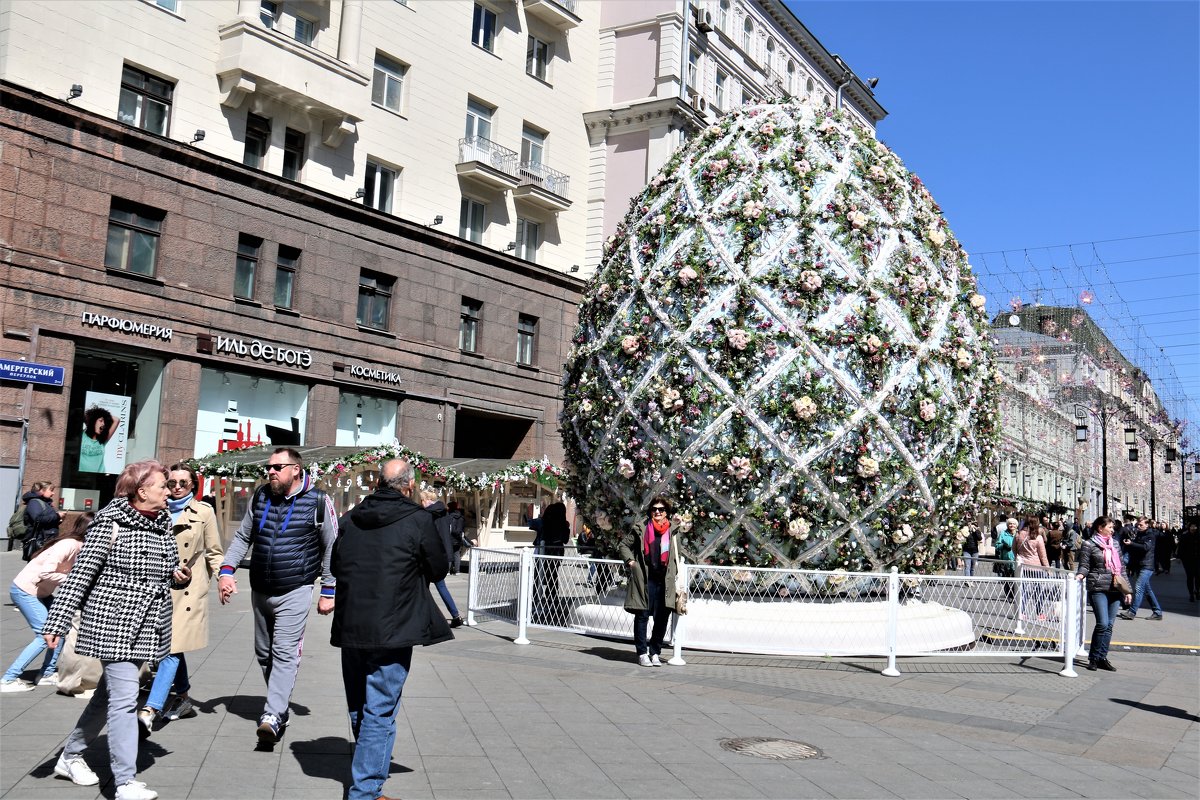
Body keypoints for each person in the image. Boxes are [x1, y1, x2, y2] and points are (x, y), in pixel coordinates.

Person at [41, 460, 190, 800]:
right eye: (162, 486)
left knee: (108, 696)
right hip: (114, 623)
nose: (168, 491)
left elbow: (166, 569)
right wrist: (57, 622)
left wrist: (179, 576)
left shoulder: (163, 523)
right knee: (125, 701)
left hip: (148, 624)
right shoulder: (110, 524)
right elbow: (80, 577)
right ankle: (124, 782)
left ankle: (70, 756)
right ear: (142, 491)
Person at [331, 458, 452, 800]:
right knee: (380, 708)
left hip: (353, 624)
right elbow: (438, 567)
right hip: (394, 625)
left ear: (378, 483)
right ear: (409, 485)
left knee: (360, 705)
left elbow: (336, 564)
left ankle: (366, 777)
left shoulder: (351, 518)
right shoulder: (417, 519)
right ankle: (365, 791)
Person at [218, 447, 337, 744]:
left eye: (277, 467)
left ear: (296, 470)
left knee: (284, 653)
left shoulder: (319, 501)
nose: (270, 471)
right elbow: (244, 536)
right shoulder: (261, 497)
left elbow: (333, 547)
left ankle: (271, 714)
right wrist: (226, 570)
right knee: (264, 654)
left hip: (295, 589)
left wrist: (329, 591)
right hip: (260, 588)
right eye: (269, 467)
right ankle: (280, 707)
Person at [138, 463, 224, 732]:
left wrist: (224, 578)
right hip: (159, 584)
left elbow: (214, 551)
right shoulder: (156, 508)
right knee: (171, 641)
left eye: (182, 483)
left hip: (189, 587)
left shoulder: (203, 512)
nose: (176, 488)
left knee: (172, 646)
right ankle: (183, 696)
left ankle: (150, 709)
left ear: (193, 486)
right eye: (171, 483)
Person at [1, 512, 91, 692]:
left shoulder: (79, 546)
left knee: (60, 629)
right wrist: (74, 579)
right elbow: (46, 573)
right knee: (44, 635)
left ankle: (47, 674)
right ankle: (8, 679)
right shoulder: (69, 545)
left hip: (41, 592)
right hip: (26, 591)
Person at [619, 496, 680, 667]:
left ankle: (655, 652)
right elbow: (623, 545)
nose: (658, 512)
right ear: (650, 511)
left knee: (662, 618)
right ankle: (642, 652)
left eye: (661, 509)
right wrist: (631, 562)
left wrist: (675, 573)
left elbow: (676, 556)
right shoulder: (642, 528)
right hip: (645, 579)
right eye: (654, 509)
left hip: (665, 581)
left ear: (666, 512)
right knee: (642, 615)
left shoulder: (673, 531)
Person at [1075, 515, 1132, 671]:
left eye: (1113, 527)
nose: (1112, 530)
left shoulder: (1115, 544)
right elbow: (1084, 566)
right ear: (1100, 528)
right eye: (1110, 527)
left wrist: (1128, 590)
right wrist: (1080, 575)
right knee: (1103, 623)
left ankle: (1102, 657)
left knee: (1110, 625)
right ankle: (1093, 658)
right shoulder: (1089, 544)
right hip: (1098, 587)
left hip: (1115, 588)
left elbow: (1121, 569)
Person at [419, 489, 464, 628]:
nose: (420, 503)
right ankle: (455, 615)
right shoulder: (444, 513)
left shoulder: (428, 514)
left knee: (422, 587)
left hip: (431, 554)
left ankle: (424, 617)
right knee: (440, 586)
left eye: (421, 500)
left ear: (426, 500)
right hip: (444, 554)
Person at [1119, 517, 1163, 621]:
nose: (1138, 526)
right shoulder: (1139, 534)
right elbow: (1134, 551)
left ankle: (1132, 611)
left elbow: (1146, 547)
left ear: (1147, 525)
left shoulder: (1150, 535)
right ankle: (1157, 612)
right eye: (1138, 524)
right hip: (1139, 565)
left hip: (1147, 566)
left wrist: (1132, 544)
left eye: (1141, 525)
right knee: (1147, 590)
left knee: (1139, 587)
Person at [1014, 517, 1049, 619]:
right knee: (1038, 590)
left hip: (1022, 566)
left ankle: (1021, 612)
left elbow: (1014, 549)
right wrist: (1047, 568)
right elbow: (1043, 556)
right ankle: (1040, 613)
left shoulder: (1018, 534)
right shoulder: (1037, 537)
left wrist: (1019, 557)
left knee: (1022, 590)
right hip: (1036, 567)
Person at [20, 481, 64, 560]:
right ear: (41, 490)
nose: (53, 493)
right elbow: (38, 519)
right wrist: (57, 516)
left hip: (46, 539)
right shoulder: (34, 502)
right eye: (50, 490)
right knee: (37, 566)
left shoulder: (45, 503)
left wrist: (58, 520)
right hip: (40, 540)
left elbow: (46, 521)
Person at [79, 406, 120, 473]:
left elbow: (116, 420)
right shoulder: (82, 436)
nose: (103, 424)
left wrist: (105, 414)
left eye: (104, 422)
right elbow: (79, 414)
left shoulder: (103, 440)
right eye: (100, 420)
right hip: (81, 476)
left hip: (98, 476)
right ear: (93, 421)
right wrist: (94, 414)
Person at [1177, 522, 1199, 602]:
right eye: (1192, 526)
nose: (1193, 528)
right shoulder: (1185, 536)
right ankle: (1191, 594)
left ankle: (1197, 591)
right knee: (1190, 576)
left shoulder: (1198, 535)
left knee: (1198, 576)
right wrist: (1179, 557)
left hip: (1197, 559)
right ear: (1189, 528)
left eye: (1195, 526)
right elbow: (1181, 547)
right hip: (1188, 560)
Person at [446, 500, 467, 574]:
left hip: (449, 537)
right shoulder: (461, 517)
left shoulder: (449, 516)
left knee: (449, 553)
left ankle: (448, 570)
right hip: (458, 537)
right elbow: (463, 527)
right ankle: (457, 570)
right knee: (457, 553)